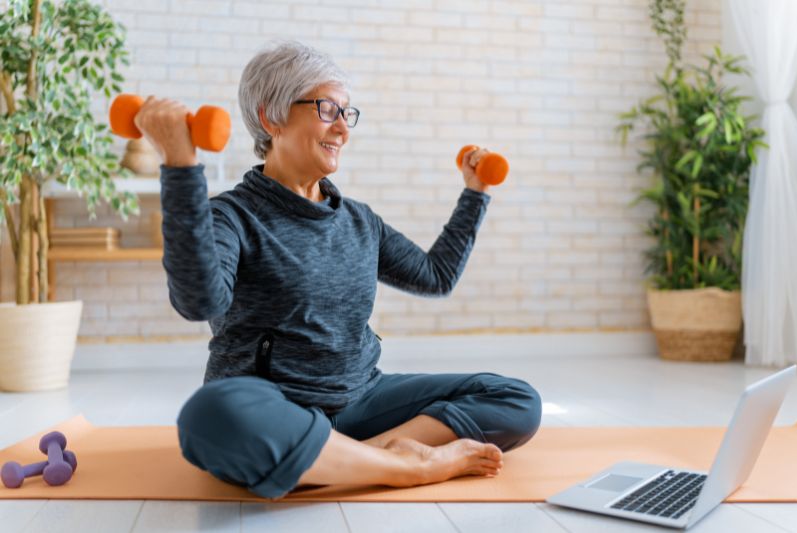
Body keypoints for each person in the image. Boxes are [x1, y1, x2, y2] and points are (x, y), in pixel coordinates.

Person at [133, 40, 542, 499]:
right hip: (274, 406)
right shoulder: (232, 216)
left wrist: (475, 192)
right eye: (328, 109)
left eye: (348, 114)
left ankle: (353, 458)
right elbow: (198, 302)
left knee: (516, 400)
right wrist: (181, 165)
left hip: (362, 399)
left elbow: (435, 275)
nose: (343, 129)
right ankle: (404, 465)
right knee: (209, 415)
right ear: (272, 117)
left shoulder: (358, 221)